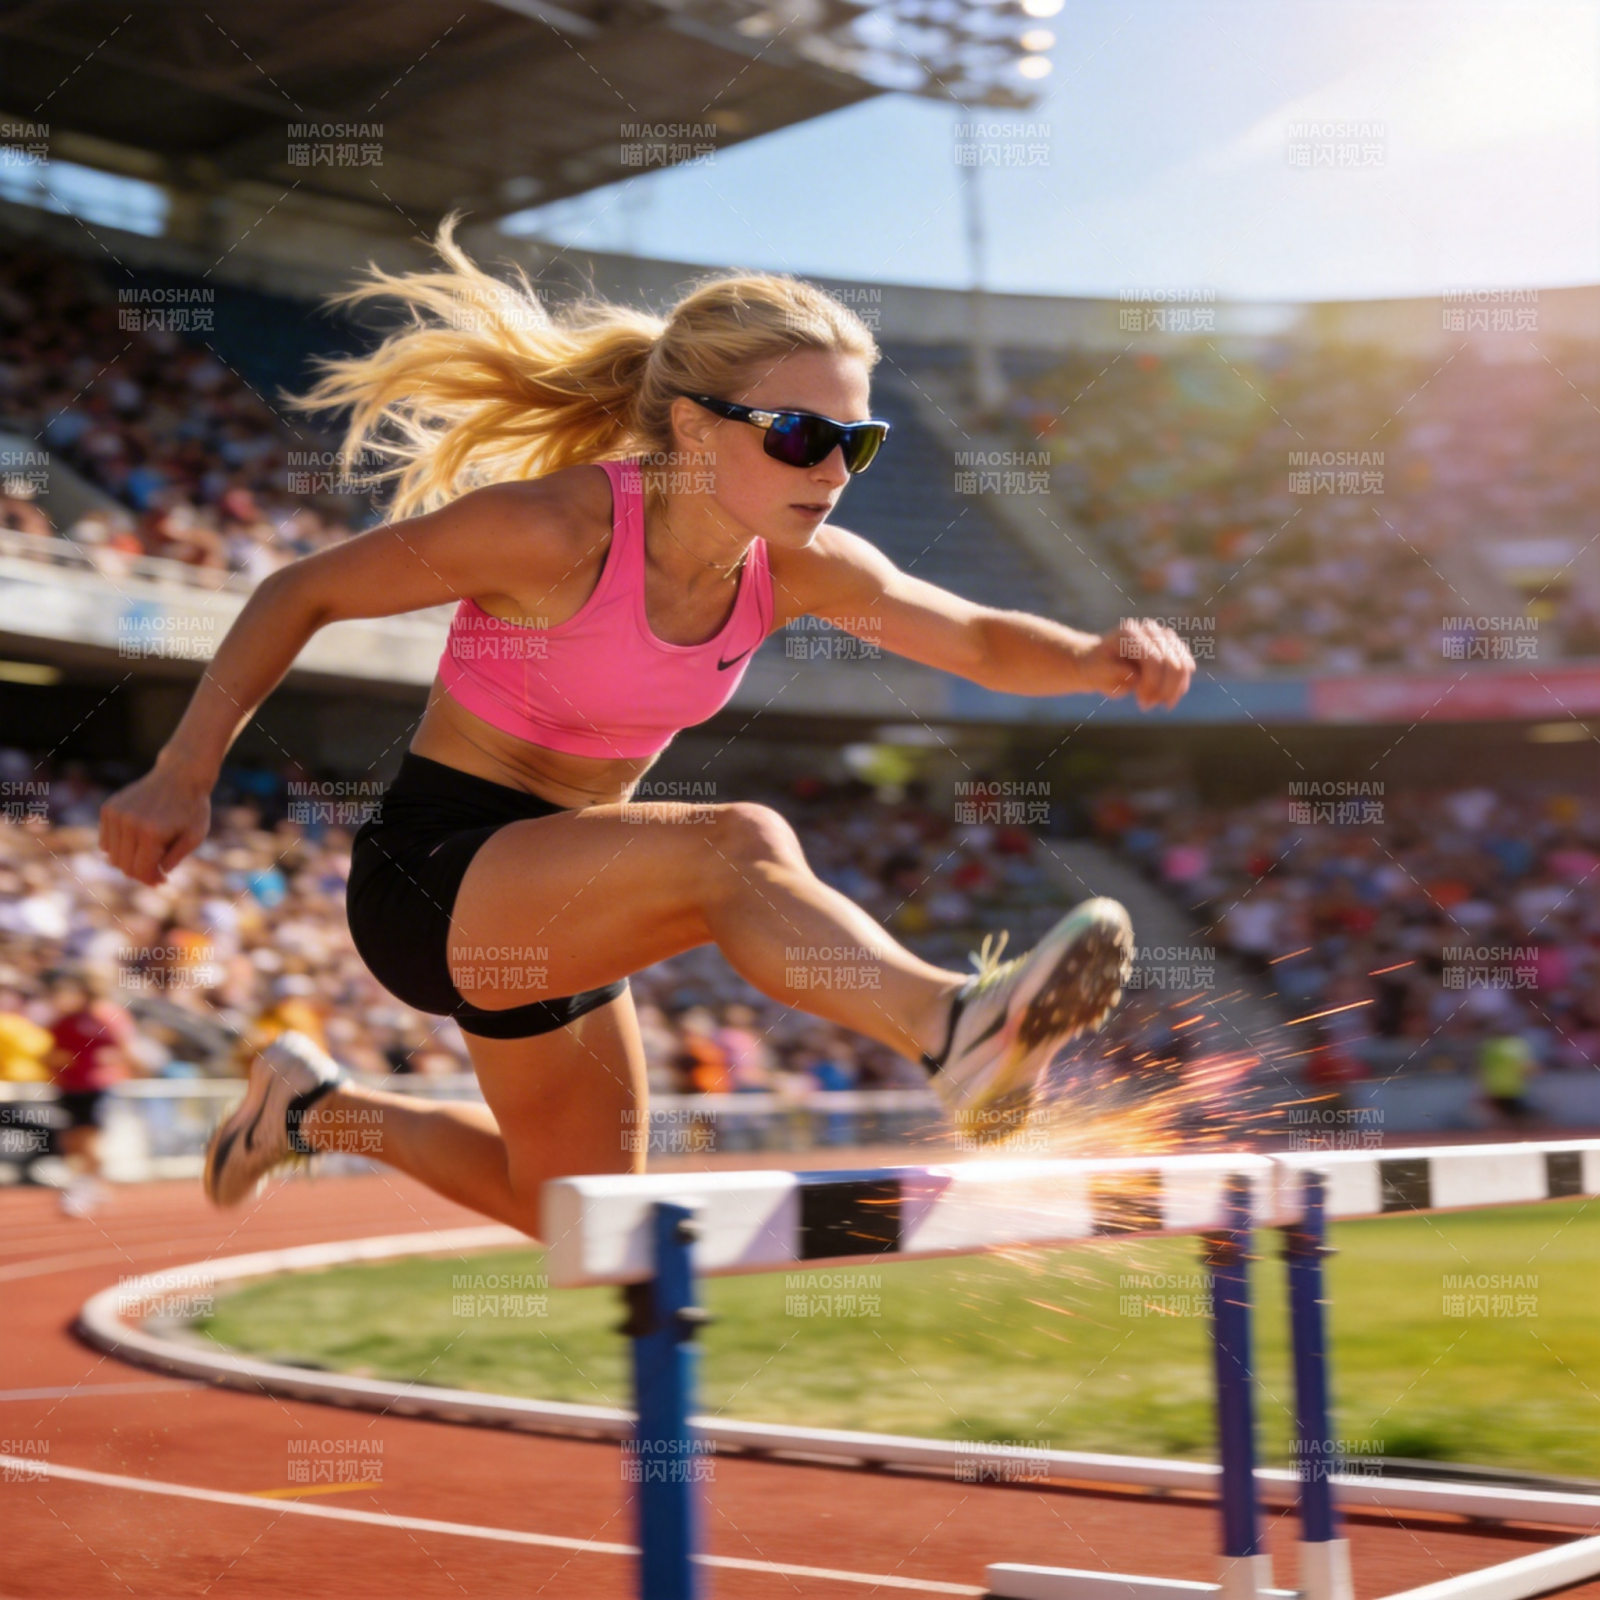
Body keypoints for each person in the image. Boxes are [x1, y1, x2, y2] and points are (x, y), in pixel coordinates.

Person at [97, 215, 1194, 1234]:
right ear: (689, 425)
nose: (827, 470)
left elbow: (979, 641)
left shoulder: (802, 564)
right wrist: (182, 772)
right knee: (739, 844)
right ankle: (954, 1027)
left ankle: (310, 1109)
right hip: (438, 877)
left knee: (579, 1212)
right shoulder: (551, 532)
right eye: (801, 434)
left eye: (855, 444)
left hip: (581, 895)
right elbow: (301, 589)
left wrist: (1098, 659)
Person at [45, 966, 137, 1216]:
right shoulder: (66, 1019)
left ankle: (84, 1185)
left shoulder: (109, 1016)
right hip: (70, 1085)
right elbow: (52, 1050)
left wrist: (123, 1067)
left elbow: (126, 1048)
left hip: (100, 1085)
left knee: (88, 1137)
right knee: (72, 1139)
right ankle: (93, 1182)